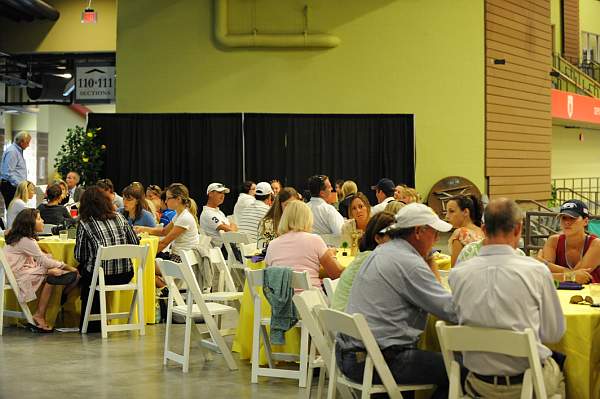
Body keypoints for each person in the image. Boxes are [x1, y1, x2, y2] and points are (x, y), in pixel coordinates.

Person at [337, 203, 456, 399]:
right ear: (418, 231)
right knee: (463, 369)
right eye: (434, 233)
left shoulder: (382, 251)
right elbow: (451, 310)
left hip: (351, 354)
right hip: (377, 360)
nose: (436, 239)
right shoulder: (409, 263)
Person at [449, 198, 565, 398]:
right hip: (526, 385)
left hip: (478, 385)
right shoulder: (536, 271)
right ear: (518, 229)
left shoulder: (458, 274)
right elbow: (553, 334)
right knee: (563, 373)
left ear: (483, 229)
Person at [74, 186, 140, 332]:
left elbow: (80, 256)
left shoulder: (85, 223)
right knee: (91, 274)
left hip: (100, 276)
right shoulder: (120, 217)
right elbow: (135, 243)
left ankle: (91, 325)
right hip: (126, 274)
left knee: (86, 276)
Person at [4, 209, 78, 332]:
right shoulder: (26, 241)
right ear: (29, 223)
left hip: (14, 271)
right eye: (39, 219)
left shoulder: (19, 237)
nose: (43, 221)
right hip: (16, 275)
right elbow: (45, 262)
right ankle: (41, 313)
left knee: (53, 274)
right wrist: (68, 266)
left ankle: (42, 311)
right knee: (54, 273)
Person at [265, 200, 342, 288]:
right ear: (308, 219)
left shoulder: (272, 245)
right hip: (312, 299)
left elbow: (269, 277)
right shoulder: (314, 240)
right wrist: (331, 255)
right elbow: (336, 274)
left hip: (280, 300)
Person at [331, 212, 395, 311]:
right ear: (378, 238)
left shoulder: (365, 257)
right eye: (393, 236)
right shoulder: (374, 260)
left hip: (341, 319)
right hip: (353, 321)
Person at [538, 199, 599, 283]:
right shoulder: (553, 241)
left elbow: (579, 279)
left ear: (585, 221)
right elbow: (543, 276)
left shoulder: (596, 244)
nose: (567, 222)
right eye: (564, 218)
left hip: (591, 295)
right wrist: (572, 276)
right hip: (561, 295)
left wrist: (546, 264)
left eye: (572, 218)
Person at [135, 183, 199, 261]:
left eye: (168, 198)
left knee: (142, 265)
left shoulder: (184, 218)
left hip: (183, 260)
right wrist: (143, 229)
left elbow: (164, 243)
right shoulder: (179, 215)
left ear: (178, 199)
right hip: (181, 256)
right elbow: (164, 231)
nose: (165, 201)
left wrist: (143, 257)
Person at [446, 194, 484, 266]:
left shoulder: (460, 233)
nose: (447, 216)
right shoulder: (482, 231)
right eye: (447, 212)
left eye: (451, 211)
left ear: (466, 212)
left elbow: (455, 268)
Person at [199, 182, 237, 249]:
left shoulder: (219, 212)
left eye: (223, 193)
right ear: (210, 194)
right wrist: (229, 226)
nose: (222, 195)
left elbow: (234, 226)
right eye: (219, 192)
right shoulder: (208, 213)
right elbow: (231, 230)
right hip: (220, 251)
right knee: (254, 256)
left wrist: (230, 226)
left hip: (228, 248)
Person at [306, 175, 344, 241]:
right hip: (326, 249)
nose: (332, 189)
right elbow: (340, 233)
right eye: (329, 187)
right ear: (322, 193)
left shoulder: (304, 208)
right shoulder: (329, 210)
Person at [0, 131, 30, 209]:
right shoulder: (12, 151)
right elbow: (8, 173)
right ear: (21, 141)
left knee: (18, 211)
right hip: (11, 186)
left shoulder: (17, 151)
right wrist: (21, 185)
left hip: (14, 186)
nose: (28, 145)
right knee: (13, 211)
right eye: (27, 142)